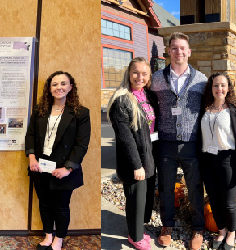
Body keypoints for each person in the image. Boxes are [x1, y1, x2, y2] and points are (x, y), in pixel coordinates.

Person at [149, 32, 207, 250]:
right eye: (174, 48)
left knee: (194, 188)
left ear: (189, 52)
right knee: (165, 187)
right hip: (165, 142)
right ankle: (167, 226)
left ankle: (198, 228)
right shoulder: (156, 79)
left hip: (191, 143)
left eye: (183, 48)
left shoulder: (201, 80)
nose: (178, 52)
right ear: (168, 52)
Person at [25, 71, 91, 250]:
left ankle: (59, 238)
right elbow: (30, 135)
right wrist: (32, 158)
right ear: (49, 88)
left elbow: (81, 145)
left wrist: (67, 168)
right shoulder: (40, 110)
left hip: (63, 169)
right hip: (40, 166)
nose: (58, 87)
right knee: (44, 203)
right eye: (54, 84)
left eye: (63, 83)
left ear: (70, 87)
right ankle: (48, 236)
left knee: (61, 206)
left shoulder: (81, 113)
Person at [107, 57, 157, 250]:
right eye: (136, 72)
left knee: (141, 198)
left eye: (144, 73)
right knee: (136, 198)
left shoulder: (146, 95)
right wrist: (137, 165)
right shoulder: (122, 100)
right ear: (128, 73)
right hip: (134, 160)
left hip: (148, 154)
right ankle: (135, 237)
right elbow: (125, 138)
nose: (140, 77)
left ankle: (136, 228)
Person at [198, 73, 236, 250]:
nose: (219, 89)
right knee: (213, 199)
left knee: (228, 201)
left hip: (228, 159)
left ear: (228, 88)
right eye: (215, 86)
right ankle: (221, 229)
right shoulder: (204, 108)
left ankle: (232, 233)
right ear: (210, 88)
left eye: (222, 85)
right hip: (207, 159)